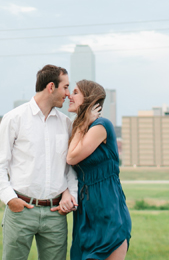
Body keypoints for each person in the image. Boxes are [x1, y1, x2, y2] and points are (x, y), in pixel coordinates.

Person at [0, 64, 79, 260]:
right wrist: (10, 199)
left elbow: (70, 167)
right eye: (65, 87)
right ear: (51, 87)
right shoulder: (14, 118)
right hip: (21, 210)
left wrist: (70, 194)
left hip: (56, 214)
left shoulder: (66, 124)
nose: (68, 93)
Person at [67, 80, 131, 260]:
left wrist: (82, 122)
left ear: (88, 98)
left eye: (75, 92)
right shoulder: (79, 129)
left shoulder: (102, 125)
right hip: (86, 211)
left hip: (107, 208)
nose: (69, 96)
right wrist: (81, 122)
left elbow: (72, 157)